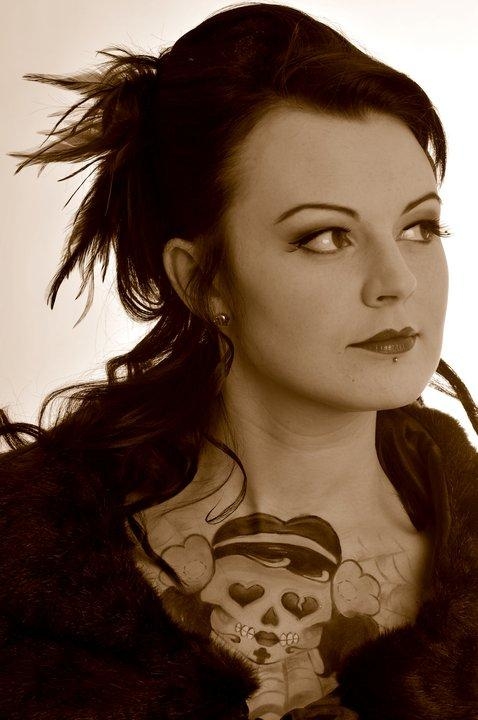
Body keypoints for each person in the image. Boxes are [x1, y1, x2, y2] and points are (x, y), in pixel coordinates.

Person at [1, 3, 477, 719]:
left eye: (419, 227)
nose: (398, 281)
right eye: (325, 236)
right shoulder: (25, 563)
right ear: (202, 280)